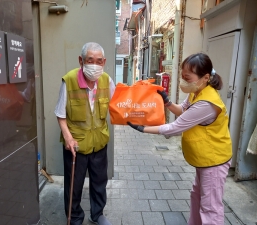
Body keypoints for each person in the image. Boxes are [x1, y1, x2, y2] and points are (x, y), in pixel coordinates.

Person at [127, 53, 232, 225]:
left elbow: (175, 127)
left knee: (210, 206)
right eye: (182, 76)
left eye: (187, 77)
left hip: (214, 160)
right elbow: (184, 111)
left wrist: (142, 128)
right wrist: (167, 102)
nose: (183, 81)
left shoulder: (207, 103)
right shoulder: (197, 92)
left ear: (205, 77)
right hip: (204, 159)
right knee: (197, 196)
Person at [54, 42, 115, 225]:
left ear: (104, 62)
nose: (95, 65)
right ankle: (75, 217)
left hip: (99, 143)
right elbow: (60, 114)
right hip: (76, 145)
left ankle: (97, 215)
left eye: (99, 61)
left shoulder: (106, 80)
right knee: (74, 186)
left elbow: (118, 105)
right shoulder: (70, 80)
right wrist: (68, 138)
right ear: (81, 60)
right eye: (90, 60)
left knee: (99, 182)